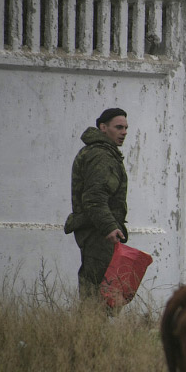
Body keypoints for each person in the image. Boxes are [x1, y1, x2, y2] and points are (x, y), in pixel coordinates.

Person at [63, 108, 130, 301]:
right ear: (103, 127)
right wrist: (109, 227)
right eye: (118, 127)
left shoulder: (104, 153)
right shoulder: (100, 155)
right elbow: (94, 197)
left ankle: (94, 320)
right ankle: (91, 320)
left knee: (103, 290)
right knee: (97, 291)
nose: (124, 132)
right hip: (98, 232)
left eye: (126, 128)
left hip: (99, 230)